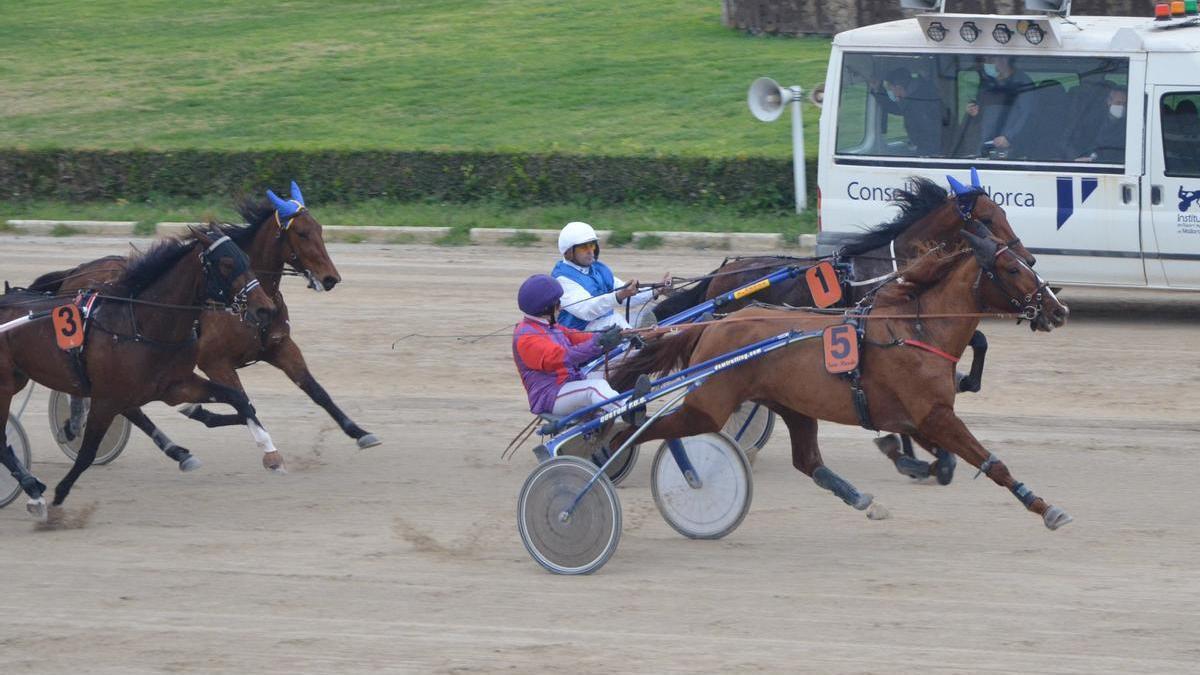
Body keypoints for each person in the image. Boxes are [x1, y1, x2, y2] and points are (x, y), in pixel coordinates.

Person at [512, 274, 625, 418]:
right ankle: (629, 411)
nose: (561, 306)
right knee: (594, 388)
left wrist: (613, 335)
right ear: (546, 308)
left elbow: (578, 336)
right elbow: (561, 357)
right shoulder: (526, 337)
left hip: (567, 385)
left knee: (601, 378)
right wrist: (598, 343)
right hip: (550, 395)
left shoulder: (551, 326)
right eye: (558, 303)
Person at [552, 221, 670, 331]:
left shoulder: (598, 269)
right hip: (577, 335)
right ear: (569, 253)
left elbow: (626, 295)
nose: (590, 251)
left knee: (644, 317)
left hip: (606, 329)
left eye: (592, 245)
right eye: (583, 247)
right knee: (615, 321)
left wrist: (656, 290)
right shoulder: (562, 278)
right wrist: (619, 295)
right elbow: (587, 310)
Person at [871, 67, 944, 156]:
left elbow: (931, 136)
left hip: (932, 152)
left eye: (891, 89)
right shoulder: (912, 97)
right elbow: (896, 108)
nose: (892, 92)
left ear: (898, 88)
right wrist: (878, 90)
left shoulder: (921, 102)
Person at [976, 55, 1035, 156]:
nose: (986, 63)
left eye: (990, 59)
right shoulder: (988, 83)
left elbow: (1027, 114)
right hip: (985, 147)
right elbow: (981, 112)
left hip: (1011, 150)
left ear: (1004, 59)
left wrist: (1009, 137)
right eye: (984, 60)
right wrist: (973, 109)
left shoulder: (1022, 82)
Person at [1073, 86, 1127, 163]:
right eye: (1118, 103)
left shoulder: (1128, 126)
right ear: (1109, 101)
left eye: (1124, 104)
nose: (1122, 107)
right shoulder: (1093, 121)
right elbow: (1079, 142)